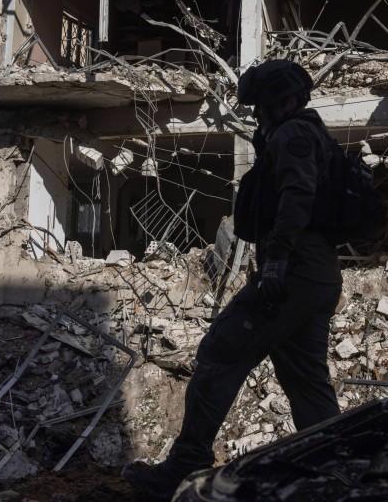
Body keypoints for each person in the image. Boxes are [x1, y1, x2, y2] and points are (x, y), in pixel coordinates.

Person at [123, 59, 343, 500]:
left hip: (293, 275)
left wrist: (276, 263)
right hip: (314, 276)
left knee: (219, 352)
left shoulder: (294, 133)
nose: (258, 116)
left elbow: (297, 197)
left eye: (261, 107)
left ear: (284, 101)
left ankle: (184, 465)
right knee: (305, 381)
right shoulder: (305, 133)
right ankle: (336, 474)